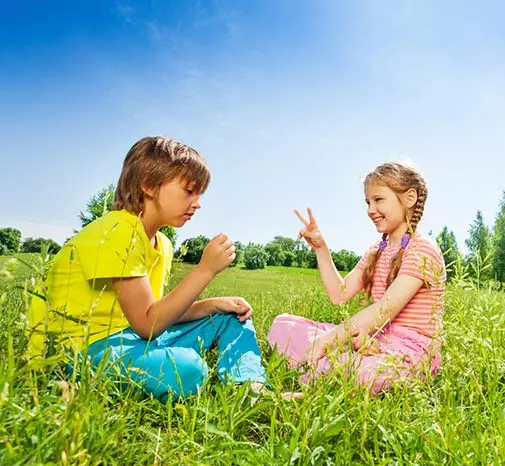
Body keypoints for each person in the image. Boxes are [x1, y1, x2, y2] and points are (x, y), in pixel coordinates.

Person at [27, 136, 269, 402]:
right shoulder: (118, 231)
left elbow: (157, 313)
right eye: (189, 191)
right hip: (80, 352)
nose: (198, 203)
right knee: (186, 370)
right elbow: (147, 325)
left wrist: (212, 305)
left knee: (231, 317)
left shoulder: (162, 244)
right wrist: (204, 270)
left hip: (129, 339)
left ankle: (250, 389)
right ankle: (69, 385)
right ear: (148, 184)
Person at [268, 162, 446, 395]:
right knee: (283, 325)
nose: (371, 209)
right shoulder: (377, 250)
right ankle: (327, 372)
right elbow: (339, 294)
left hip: (409, 351)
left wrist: (324, 343)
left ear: (410, 197)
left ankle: (322, 375)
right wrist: (321, 248)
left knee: (360, 372)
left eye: (378, 199)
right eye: (367, 202)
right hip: (373, 340)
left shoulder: (422, 250)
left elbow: (383, 310)